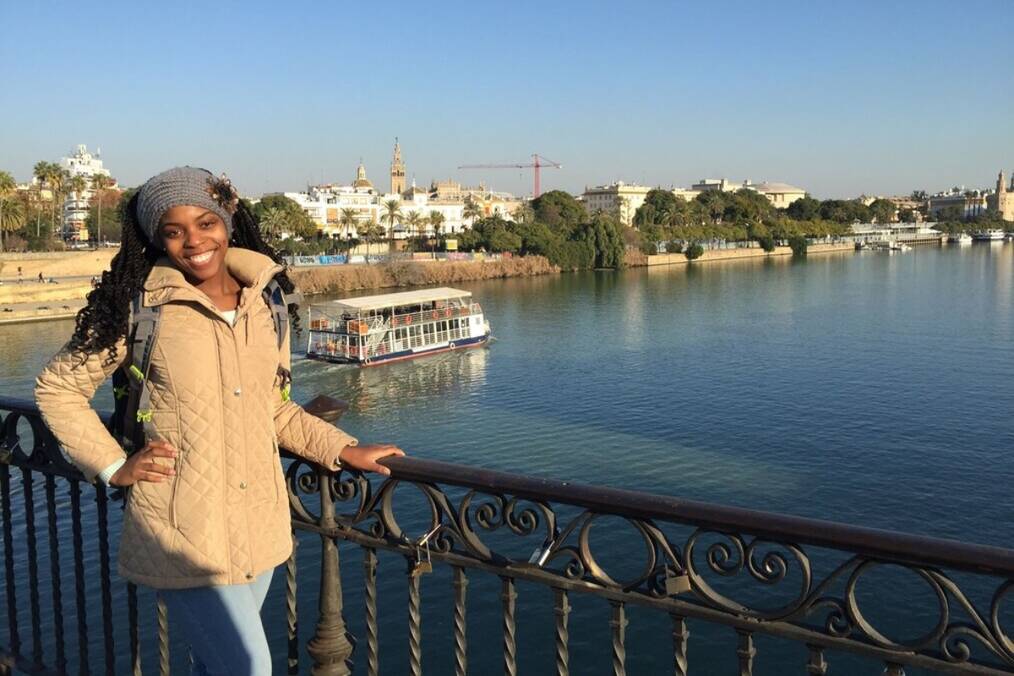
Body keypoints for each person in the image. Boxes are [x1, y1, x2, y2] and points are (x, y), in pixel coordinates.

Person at [34, 167, 404, 675]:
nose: (193, 241)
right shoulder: (140, 306)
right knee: (250, 667)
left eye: (205, 223)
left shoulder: (266, 302)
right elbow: (58, 388)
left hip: (256, 522)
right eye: (174, 231)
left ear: (229, 220)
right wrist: (113, 465)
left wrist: (341, 448)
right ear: (156, 238)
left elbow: (273, 408)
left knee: (217, 667)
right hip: (183, 529)